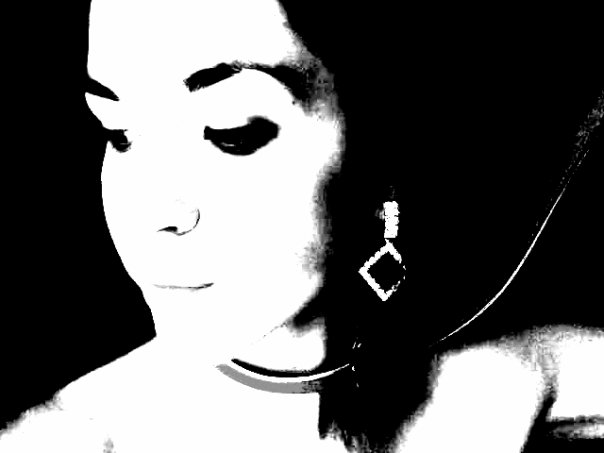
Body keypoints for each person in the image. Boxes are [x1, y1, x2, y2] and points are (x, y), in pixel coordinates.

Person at [1, 1, 602, 451]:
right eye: (119, 132)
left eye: (231, 133)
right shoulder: (62, 439)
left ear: (382, 143)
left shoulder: (521, 378)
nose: (153, 213)